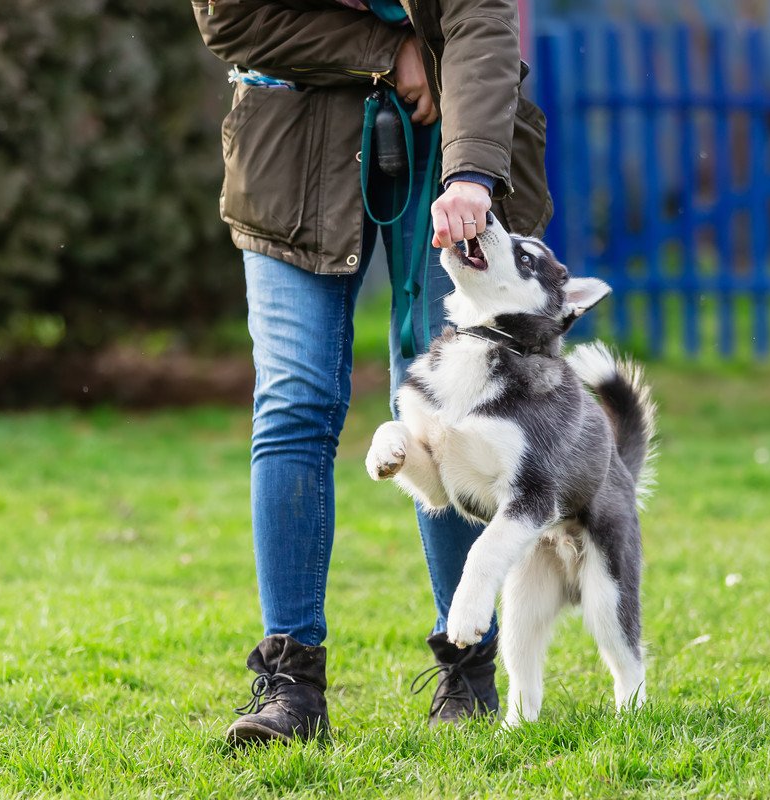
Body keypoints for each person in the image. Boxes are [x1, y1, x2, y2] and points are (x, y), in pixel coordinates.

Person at [194, 0, 552, 744]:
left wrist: (475, 173)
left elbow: (483, 22)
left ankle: (468, 662)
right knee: (294, 399)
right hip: (288, 144)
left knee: (456, 402)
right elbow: (232, 17)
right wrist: (387, 52)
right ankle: (288, 683)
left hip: (451, 143)